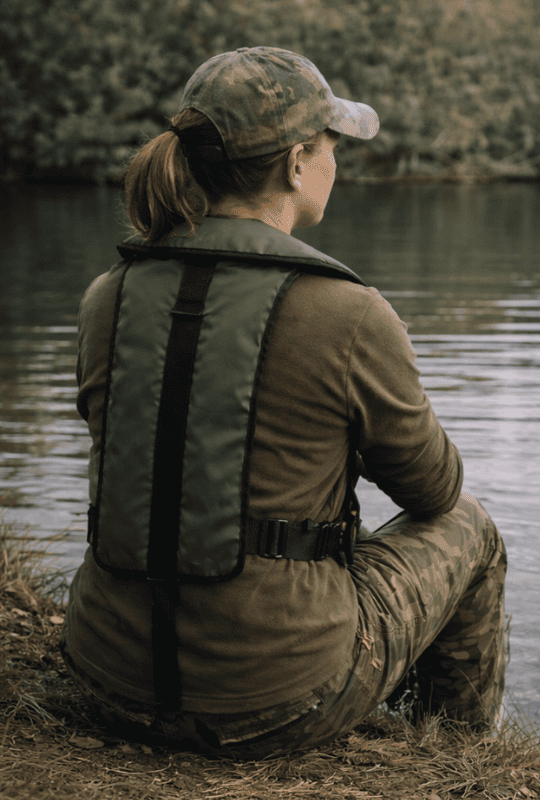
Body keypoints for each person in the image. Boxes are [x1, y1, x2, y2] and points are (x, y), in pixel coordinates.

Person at [60, 46, 507, 759]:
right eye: (332, 145)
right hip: (277, 703)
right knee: (471, 528)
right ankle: (453, 754)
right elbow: (434, 490)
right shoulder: (349, 313)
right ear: (298, 162)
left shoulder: (105, 296)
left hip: (106, 677)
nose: (337, 161)